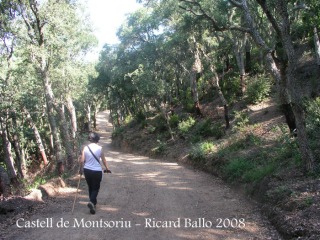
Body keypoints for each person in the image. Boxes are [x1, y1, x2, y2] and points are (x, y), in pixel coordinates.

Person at [79, 132, 111, 214]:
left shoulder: (85, 148)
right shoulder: (99, 148)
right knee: (96, 188)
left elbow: (82, 160)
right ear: (97, 140)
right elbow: (103, 160)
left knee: (90, 187)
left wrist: (80, 169)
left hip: (87, 170)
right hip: (97, 171)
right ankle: (92, 202)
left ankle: (93, 203)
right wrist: (107, 168)